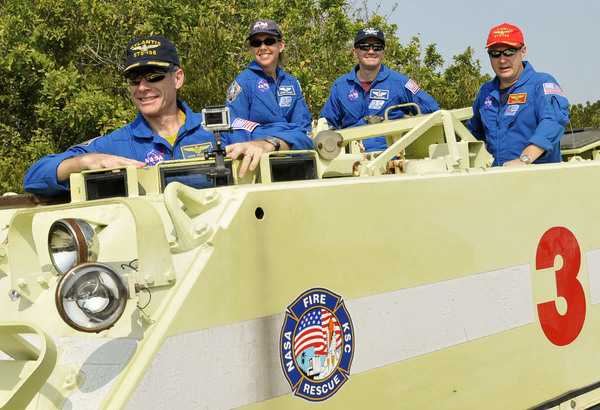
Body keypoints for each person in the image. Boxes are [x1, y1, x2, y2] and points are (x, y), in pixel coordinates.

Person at [24, 35, 218, 196]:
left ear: (177, 78)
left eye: (153, 75)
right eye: (134, 79)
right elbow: (34, 178)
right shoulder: (115, 144)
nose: (142, 87)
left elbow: (249, 137)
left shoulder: (220, 129)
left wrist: (251, 145)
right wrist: (85, 161)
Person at [320, 27, 440, 152]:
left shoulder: (401, 82)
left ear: (384, 52)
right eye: (365, 47)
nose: (371, 51)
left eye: (377, 47)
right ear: (355, 52)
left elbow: (434, 112)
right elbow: (326, 126)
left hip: (392, 159)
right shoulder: (340, 86)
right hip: (349, 160)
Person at [467, 23, 569, 166]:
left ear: (523, 51)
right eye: (495, 53)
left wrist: (524, 160)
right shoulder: (485, 92)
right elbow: (473, 136)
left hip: (540, 181)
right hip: (496, 181)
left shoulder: (541, 84)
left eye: (509, 52)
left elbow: (553, 122)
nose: (502, 60)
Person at [225, 19, 313, 178]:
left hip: (295, 163)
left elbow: (304, 130)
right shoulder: (242, 84)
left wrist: (274, 137)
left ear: (281, 45)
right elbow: (234, 129)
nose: (263, 47)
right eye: (257, 43)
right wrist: (281, 133)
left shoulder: (292, 83)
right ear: (251, 48)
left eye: (270, 41)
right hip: (257, 169)